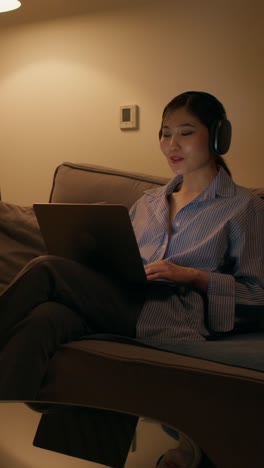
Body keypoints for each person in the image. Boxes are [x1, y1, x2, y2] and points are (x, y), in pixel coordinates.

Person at [0, 91, 263, 397]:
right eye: (165, 134)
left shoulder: (245, 208)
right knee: (43, 319)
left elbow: (258, 295)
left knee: (46, 268)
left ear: (219, 137)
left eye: (186, 133)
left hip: (170, 314)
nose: (172, 145)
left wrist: (192, 276)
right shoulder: (149, 202)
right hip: (119, 299)